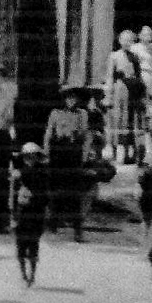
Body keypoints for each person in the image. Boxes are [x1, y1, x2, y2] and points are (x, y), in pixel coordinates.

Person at [43, 85, 93, 241]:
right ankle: (53, 221)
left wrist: (84, 156)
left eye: (74, 98)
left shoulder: (82, 114)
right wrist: (46, 153)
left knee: (74, 192)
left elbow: (86, 136)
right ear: (64, 99)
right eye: (68, 97)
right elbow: (49, 133)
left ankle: (77, 229)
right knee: (56, 188)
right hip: (58, 152)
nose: (71, 100)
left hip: (73, 153)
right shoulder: (56, 113)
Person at [10, 141, 49, 287]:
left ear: (37, 158)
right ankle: (23, 274)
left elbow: (45, 196)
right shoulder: (18, 174)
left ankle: (32, 275)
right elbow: (12, 197)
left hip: (36, 213)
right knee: (20, 246)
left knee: (33, 246)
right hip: (21, 214)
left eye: (33, 157)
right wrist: (12, 215)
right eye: (27, 157)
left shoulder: (41, 174)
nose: (30, 160)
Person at [106, 29, 146, 164]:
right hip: (119, 89)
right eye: (124, 40)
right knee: (118, 119)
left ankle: (131, 154)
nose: (127, 43)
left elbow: (139, 76)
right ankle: (116, 153)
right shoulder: (114, 56)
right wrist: (108, 94)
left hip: (133, 90)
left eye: (130, 40)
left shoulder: (135, 56)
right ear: (119, 41)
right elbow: (110, 76)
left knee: (131, 121)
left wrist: (141, 93)